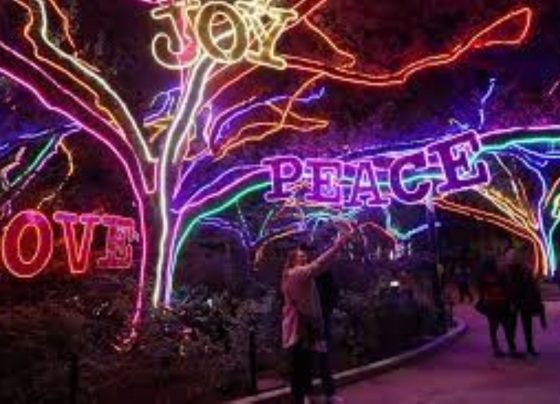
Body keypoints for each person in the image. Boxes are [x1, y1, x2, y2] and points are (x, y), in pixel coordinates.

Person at [282, 225, 354, 404]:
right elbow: (320, 264)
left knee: (306, 362)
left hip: (309, 324)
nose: (304, 258)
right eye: (300, 257)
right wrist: (339, 244)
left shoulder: (299, 273)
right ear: (292, 260)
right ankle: (301, 398)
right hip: (301, 326)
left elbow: (322, 267)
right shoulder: (297, 274)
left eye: (304, 256)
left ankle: (307, 396)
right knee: (301, 365)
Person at [476, 257, 518, 358]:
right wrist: (511, 302)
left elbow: (481, 293)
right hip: (502, 303)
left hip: (491, 304)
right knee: (507, 327)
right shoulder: (501, 275)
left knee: (493, 328)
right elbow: (508, 290)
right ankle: (511, 348)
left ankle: (496, 348)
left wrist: (483, 301)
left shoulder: (483, 277)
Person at [507, 248, 547, 356]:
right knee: (523, 326)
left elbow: (533, 287)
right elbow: (533, 287)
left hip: (517, 302)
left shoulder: (508, 271)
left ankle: (514, 348)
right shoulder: (525, 270)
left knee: (514, 326)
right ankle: (527, 348)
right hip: (522, 301)